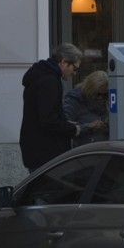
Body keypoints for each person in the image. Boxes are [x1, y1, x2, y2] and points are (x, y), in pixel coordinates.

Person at [19, 43, 83, 172]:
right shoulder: (50, 82)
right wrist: (72, 129)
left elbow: (44, 114)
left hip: (36, 149)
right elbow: (48, 120)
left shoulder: (40, 76)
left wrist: (64, 122)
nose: (74, 73)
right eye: (74, 68)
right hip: (46, 151)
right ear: (64, 62)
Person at [63, 70, 109, 147]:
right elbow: (65, 127)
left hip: (107, 149)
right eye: (98, 94)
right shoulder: (74, 100)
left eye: (105, 95)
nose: (101, 98)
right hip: (85, 152)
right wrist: (89, 126)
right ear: (90, 90)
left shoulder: (108, 101)